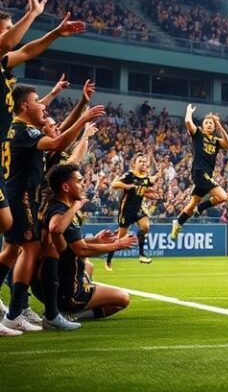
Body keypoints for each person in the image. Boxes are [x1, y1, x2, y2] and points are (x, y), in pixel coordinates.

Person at [0, 85, 104, 333]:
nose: (44, 108)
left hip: (19, 196)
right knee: (32, 248)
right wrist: (83, 122)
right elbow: (60, 139)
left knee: (16, 250)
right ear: (25, 105)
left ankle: (27, 310)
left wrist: (81, 106)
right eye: (38, 102)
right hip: (24, 198)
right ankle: (18, 311)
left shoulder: (16, 130)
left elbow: (58, 131)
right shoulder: (29, 134)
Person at [0, 0, 85, 239]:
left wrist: (56, 32)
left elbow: (27, 51)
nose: (12, 31)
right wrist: (33, 14)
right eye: (7, 27)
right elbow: (9, 42)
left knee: (5, 222)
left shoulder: (3, 63)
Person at [35, 164, 135, 322]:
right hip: (67, 292)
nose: (83, 185)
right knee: (123, 298)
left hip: (49, 285)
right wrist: (118, 245)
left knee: (88, 266)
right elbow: (79, 248)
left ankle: (66, 307)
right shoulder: (62, 211)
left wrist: (96, 240)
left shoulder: (57, 206)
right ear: (66, 187)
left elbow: (70, 243)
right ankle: (71, 314)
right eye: (79, 181)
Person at [171, 104, 228, 240]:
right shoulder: (198, 134)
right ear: (202, 126)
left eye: (211, 123)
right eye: (207, 123)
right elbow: (188, 122)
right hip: (199, 172)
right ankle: (201, 208)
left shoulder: (216, 141)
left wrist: (219, 125)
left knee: (192, 204)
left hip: (207, 175)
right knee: (223, 196)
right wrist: (189, 111)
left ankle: (178, 222)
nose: (209, 125)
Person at [105, 153, 159, 270]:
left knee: (145, 227)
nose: (143, 163)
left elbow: (152, 181)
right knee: (120, 239)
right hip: (126, 210)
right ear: (134, 164)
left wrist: (150, 193)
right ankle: (109, 258)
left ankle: (142, 255)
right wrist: (126, 186)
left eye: (144, 161)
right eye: (140, 161)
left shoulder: (145, 177)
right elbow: (114, 184)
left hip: (138, 209)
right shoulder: (130, 174)